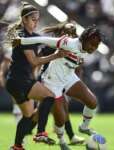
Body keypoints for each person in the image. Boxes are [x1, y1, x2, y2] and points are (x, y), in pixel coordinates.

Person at [14, 25, 102, 149]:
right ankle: (62, 142)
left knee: (93, 102)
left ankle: (84, 127)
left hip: (68, 77)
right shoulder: (67, 43)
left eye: (96, 46)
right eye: (92, 44)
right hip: (52, 81)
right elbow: (43, 40)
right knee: (60, 118)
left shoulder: (85, 49)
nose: (93, 48)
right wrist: (22, 41)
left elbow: (76, 64)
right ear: (84, 39)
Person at [5, 3, 70, 150]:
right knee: (49, 97)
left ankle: (16, 146)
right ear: (24, 20)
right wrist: (56, 55)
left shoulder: (31, 36)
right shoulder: (22, 36)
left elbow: (47, 42)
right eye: (33, 19)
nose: (36, 22)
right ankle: (41, 132)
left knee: (29, 116)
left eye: (37, 19)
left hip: (14, 82)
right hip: (20, 80)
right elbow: (34, 61)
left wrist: (63, 42)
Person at [40, 22, 85, 145]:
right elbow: (38, 60)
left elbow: (77, 66)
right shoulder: (51, 45)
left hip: (63, 82)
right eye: (68, 32)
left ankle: (67, 137)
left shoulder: (74, 47)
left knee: (62, 109)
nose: (70, 35)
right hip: (49, 80)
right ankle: (64, 138)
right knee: (55, 110)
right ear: (61, 32)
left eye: (72, 32)